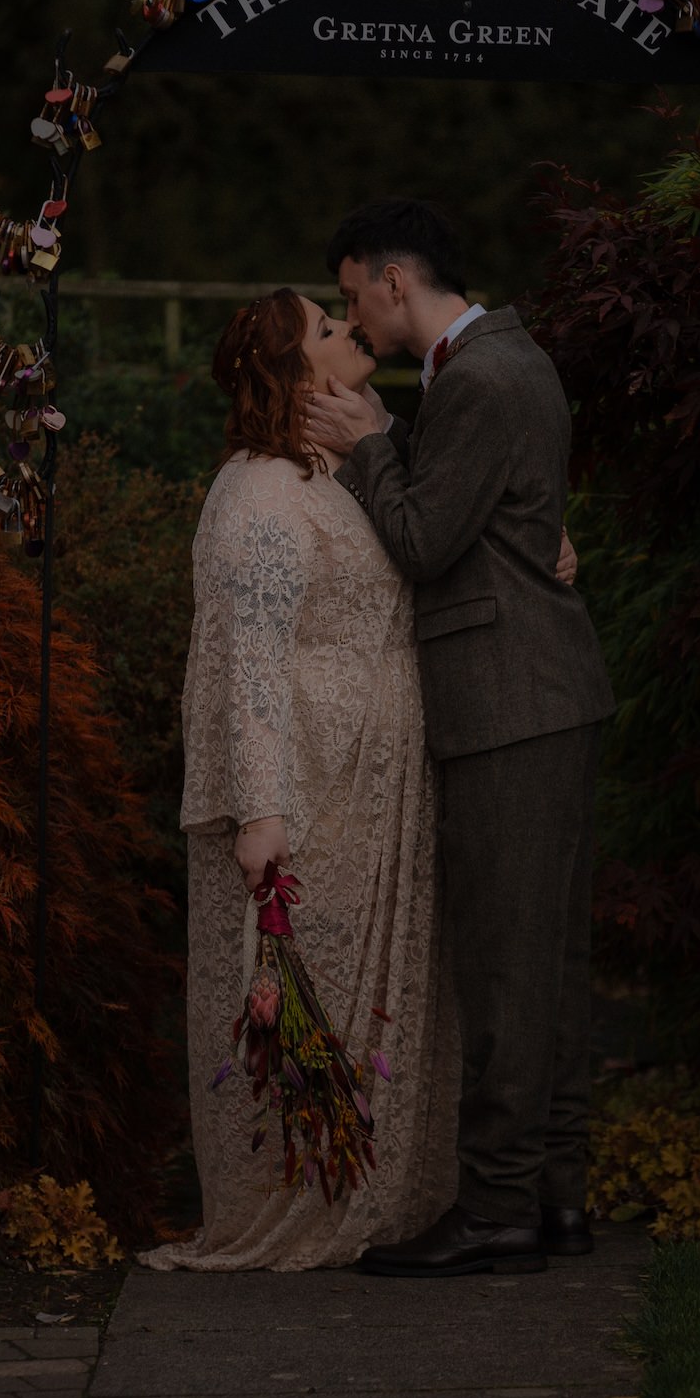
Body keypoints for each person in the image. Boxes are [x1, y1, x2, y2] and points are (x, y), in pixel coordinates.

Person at [302, 198, 617, 1279]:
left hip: (510, 700)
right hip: (541, 694)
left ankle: (495, 1211)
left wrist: (373, 443)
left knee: (505, 965)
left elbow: (428, 541)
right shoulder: (499, 360)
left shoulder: (477, 377)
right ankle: (551, 1200)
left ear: (394, 279)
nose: (355, 316)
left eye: (351, 295)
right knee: (546, 963)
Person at [138, 287, 464, 1270]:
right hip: (312, 799)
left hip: (373, 794)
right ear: (294, 372)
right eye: (327, 329)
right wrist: (261, 810)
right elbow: (250, 658)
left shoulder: (327, 471)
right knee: (304, 1003)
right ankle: (305, 1207)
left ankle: (381, 1200)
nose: (350, 330)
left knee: (369, 1009)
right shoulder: (261, 496)